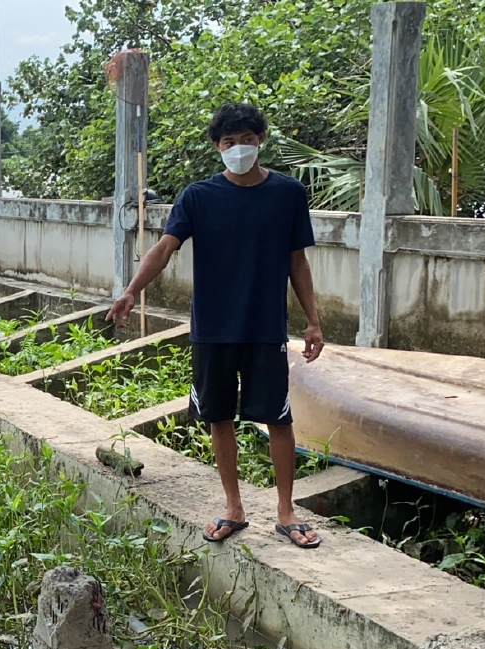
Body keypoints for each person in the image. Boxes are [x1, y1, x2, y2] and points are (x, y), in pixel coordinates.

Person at [106, 102, 326, 549]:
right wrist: (130, 291)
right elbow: (163, 249)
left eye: (247, 139)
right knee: (218, 416)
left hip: (265, 327)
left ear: (260, 141)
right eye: (230, 141)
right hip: (212, 328)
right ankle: (233, 508)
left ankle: (286, 512)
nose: (239, 148)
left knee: (278, 418)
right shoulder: (197, 197)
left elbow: (297, 262)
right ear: (217, 147)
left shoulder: (287, 193)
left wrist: (313, 321)